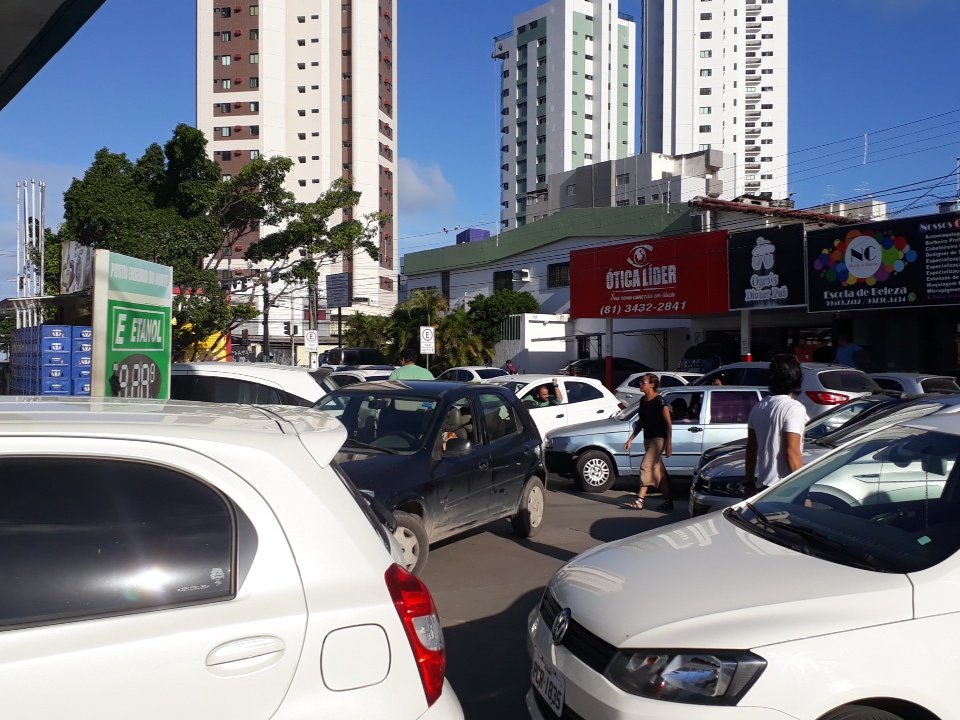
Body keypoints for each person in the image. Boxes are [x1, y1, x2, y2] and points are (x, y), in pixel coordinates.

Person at [743, 354, 806, 497]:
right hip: (784, 488)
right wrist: (803, 491)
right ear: (797, 378)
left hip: (762, 487)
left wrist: (749, 483)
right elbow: (792, 452)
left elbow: (751, 449)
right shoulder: (794, 408)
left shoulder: (759, 407)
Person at [621, 374, 674, 512]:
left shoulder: (660, 402)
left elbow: (668, 424)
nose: (640, 384)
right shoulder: (643, 401)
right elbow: (641, 422)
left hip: (659, 440)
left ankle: (640, 500)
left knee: (646, 466)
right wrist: (631, 439)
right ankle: (669, 501)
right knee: (658, 471)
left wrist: (669, 444)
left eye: (643, 382)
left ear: (652, 385)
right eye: (640, 382)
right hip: (648, 438)